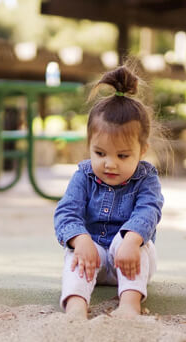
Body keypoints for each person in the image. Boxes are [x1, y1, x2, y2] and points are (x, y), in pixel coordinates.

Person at [54, 66, 164, 319]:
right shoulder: (84, 175)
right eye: (100, 153)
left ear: (142, 150)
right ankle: (75, 306)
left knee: (135, 242)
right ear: (89, 146)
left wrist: (131, 240)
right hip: (91, 259)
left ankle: (129, 305)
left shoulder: (146, 178)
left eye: (123, 155)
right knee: (74, 250)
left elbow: (149, 211)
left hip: (130, 258)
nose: (110, 163)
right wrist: (80, 240)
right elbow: (66, 212)